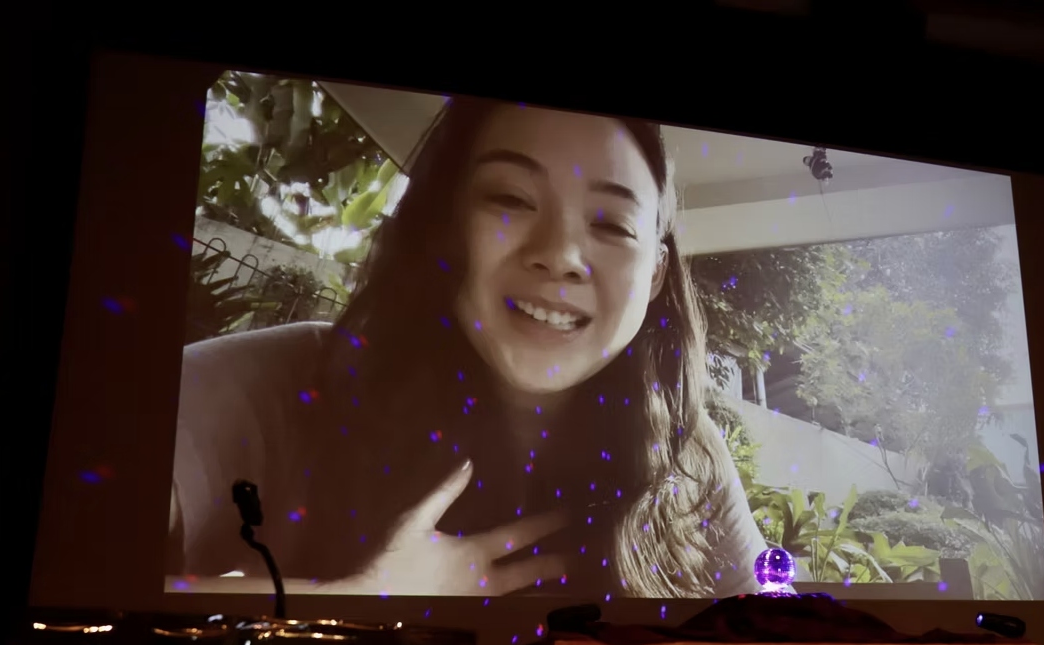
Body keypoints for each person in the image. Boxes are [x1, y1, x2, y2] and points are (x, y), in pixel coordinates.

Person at [170, 95, 764, 598]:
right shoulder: (289, 382)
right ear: (444, 223)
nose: (559, 254)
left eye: (611, 225)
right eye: (510, 198)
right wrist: (355, 601)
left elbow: (774, 643)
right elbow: (83, 544)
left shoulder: (682, 452)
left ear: (656, 276)